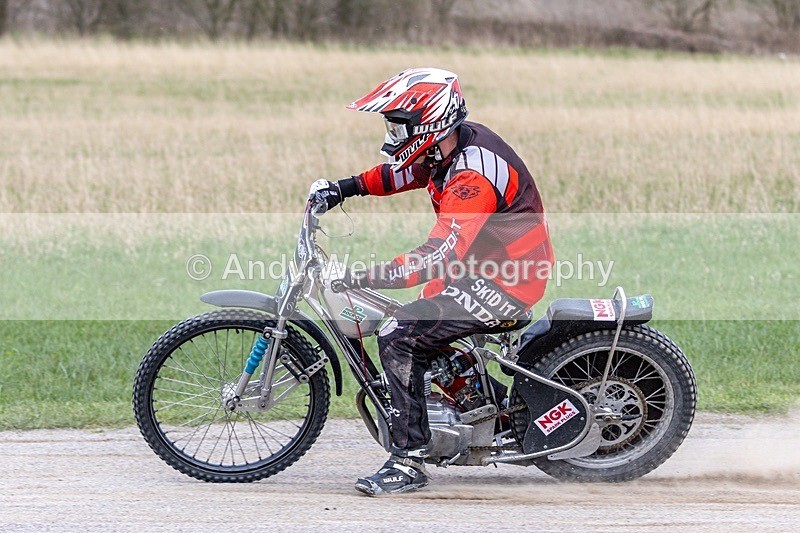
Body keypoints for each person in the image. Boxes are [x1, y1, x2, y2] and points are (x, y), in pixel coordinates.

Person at [315, 67, 554, 496]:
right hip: (481, 268)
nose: (393, 134)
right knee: (424, 323)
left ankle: (408, 461)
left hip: (508, 279)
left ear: (430, 121)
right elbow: (403, 173)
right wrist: (344, 188)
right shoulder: (445, 149)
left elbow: (440, 253)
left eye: (399, 125)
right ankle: (486, 408)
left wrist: (366, 276)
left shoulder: (472, 176)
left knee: (399, 332)